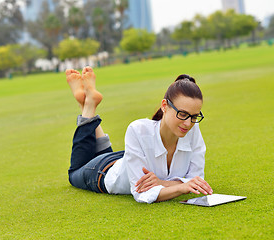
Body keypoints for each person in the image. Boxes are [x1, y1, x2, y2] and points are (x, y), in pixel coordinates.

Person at [66, 66, 213, 203]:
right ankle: (89, 105)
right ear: (164, 106)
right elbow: (141, 192)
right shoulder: (138, 129)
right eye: (182, 114)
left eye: (194, 116)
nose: (188, 123)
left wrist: (162, 183)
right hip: (104, 171)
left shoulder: (192, 128)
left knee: (112, 159)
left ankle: (86, 105)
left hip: (126, 159)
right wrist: (181, 187)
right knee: (74, 174)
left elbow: (196, 180)